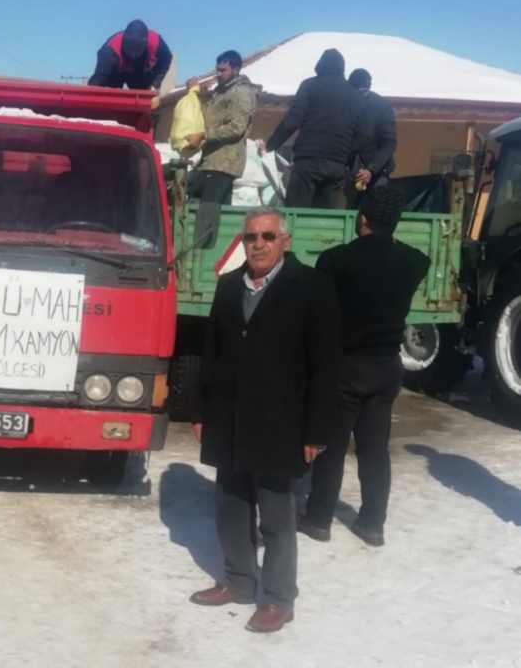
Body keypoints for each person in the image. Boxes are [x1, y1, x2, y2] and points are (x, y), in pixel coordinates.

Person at [189, 207, 341, 633]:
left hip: (281, 426)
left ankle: (277, 599)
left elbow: (326, 366)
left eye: (268, 236)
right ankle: (238, 581)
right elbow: (213, 352)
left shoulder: (311, 287)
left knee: (276, 517)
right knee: (231, 509)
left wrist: (317, 430)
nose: (258, 244)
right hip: (231, 421)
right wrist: (203, 410)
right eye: (251, 237)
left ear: (284, 241)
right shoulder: (227, 286)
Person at [299, 187, 430, 548]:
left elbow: (321, 317)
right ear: (396, 221)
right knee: (375, 451)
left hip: (344, 365)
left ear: (363, 218)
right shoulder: (416, 262)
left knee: (332, 448)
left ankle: (319, 517)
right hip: (386, 366)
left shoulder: (334, 261)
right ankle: (372, 524)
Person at [260, 49, 371, 209]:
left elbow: (292, 121)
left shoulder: (310, 86)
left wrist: (271, 146)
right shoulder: (355, 96)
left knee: (296, 214)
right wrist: (345, 156)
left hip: (308, 162)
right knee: (324, 218)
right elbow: (364, 135)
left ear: (320, 65)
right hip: (336, 166)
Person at [189, 51, 257, 205]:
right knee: (213, 212)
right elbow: (206, 118)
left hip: (224, 163)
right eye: (217, 70)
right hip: (211, 160)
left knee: (209, 212)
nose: (218, 74)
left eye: (223, 70)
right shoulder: (221, 92)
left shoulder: (241, 93)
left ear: (236, 69)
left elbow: (236, 127)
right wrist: (194, 94)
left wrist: (204, 135)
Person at [348, 68, 398, 193]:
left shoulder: (382, 106)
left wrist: (371, 170)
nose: (360, 96)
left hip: (377, 172)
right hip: (347, 171)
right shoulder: (343, 102)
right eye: (356, 92)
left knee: (375, 207)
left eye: (363, 92)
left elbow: (389, 143)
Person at [88, 20, 173, 91]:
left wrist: (155, 85)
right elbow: (97, 81)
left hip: (139, 71)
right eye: (129, 50)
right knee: (111, 91)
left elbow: (167, 59)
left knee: (144, 92)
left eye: (137, 51)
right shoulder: (110, 51)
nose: (132, 56)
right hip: (115, 72)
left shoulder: (156, 43)